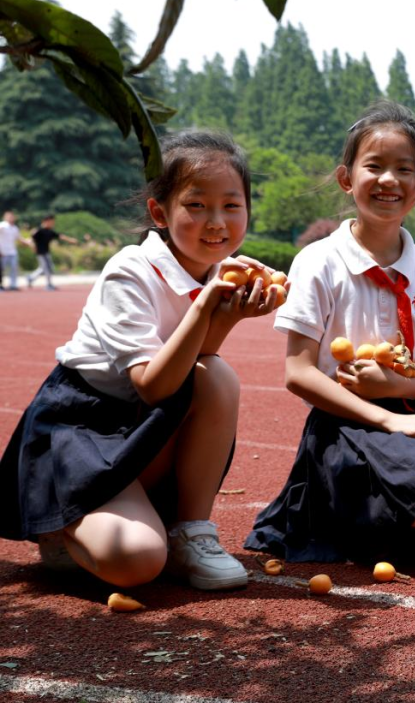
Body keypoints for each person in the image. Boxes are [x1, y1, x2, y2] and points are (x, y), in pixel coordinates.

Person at [0, 130, 283, 591]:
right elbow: (154, 384)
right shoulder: (128, 272)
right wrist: (207, 301)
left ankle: (192, 531)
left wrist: (229, 313)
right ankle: (59, 526)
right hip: (83, 429)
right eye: (196, 205)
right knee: (137, 563)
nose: (216, 222)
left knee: (216, 377)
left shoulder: (219, 271)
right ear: (159, 212)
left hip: (139, 427)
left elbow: (197, 359)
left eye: (232, 206)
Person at [245, 100, 415, 564]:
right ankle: (332, 509)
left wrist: (396, 387)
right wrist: (386, 416)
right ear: (346, 178)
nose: (388, 180)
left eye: (404, 169)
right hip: (347, 422)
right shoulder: (320, 261)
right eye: (374, 166)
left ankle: (388, 523)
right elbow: (298, 373)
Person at [26, 213, 77, 290]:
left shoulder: (50, 231)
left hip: (46, 252)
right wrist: (33, 247)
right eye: (51, 222)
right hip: (40, 253)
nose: (53, 223)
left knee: (47, 267)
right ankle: (49, 284)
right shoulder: (39, 231)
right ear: (46, 221)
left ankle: (31, 278)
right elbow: (31, 240)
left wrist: (70, 240)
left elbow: (60, 236)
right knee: (46, 268)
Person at [0, 210, 25, 290]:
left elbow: (19, 239)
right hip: (2, 251)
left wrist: (28, 242)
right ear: (5, 217)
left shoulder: (15, 228)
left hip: (12, 251)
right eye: (9, 216)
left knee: (14, 268)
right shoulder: (2, 226)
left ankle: (13, 285)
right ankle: (1, 285)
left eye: (12, 216)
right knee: (1, 269)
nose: (11, 218)